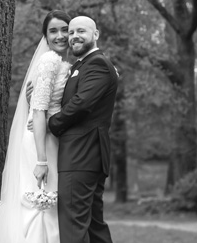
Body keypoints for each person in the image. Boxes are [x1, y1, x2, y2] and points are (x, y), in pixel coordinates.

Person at [0, 10, 74, 243]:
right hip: (40, 140)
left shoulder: (63, 63)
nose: (60, 35)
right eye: (53, 31)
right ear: (45, 36)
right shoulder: (50, 61)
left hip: (49, 137)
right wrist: (42, 160)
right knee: (41, 202)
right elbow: (38, 111)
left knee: (45, 201)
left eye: (65, 29)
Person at [48, 16, 118, 243]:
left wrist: (52, 124)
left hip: (81, 153)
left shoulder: (97, 63)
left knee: (73, 227)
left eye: (81, 31)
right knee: (94, 227)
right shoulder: (82, 65)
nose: (74, 36)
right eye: (71, 32)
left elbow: (81, 104)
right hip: (87, 155)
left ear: (95, 34)